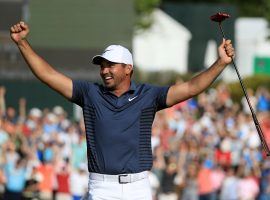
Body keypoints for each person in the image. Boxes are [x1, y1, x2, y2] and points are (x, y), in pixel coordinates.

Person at [10, 21, 234, 200]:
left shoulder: (149, 95)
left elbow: (192, 87)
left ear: (128, 69)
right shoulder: (90, 94)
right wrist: (22, 44)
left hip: (138, 187)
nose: (104, 70)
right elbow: (48, 75)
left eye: (110, 65)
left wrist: (220, 63)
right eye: (102, 65)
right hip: (101, 188)